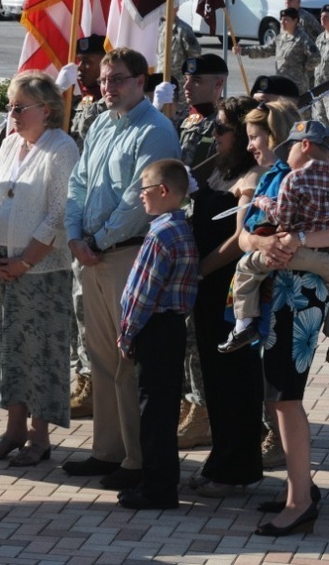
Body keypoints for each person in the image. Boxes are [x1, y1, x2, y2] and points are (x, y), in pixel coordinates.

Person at [233, 101, 329, 536]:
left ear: (299, 143)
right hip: (275, 292)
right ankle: (299, 487)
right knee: (278, 395)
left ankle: (299, 503)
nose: (265, 148)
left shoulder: (314, 178)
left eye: (284, 144)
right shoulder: (280, 177)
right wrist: (261, 241)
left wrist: (297, 240)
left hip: (298, 294)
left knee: (287, 398)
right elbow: (246, 234)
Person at [62, 47, 181, 489]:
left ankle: (136, 459)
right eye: (104, 79)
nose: (107, 87)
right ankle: (107, 451)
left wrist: (97, 240)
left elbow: (138, 199)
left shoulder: (155, 130)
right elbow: (78, 184)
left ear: (140, 81)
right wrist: (75, 235)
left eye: (117, 80)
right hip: (91, 255)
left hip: (128, 254)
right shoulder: (98, 124)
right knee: (102, 359)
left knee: (128, 360)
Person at [0, 71, 78, 467]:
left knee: (41, 353)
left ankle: (39, 436)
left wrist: (24, 260)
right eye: (9, 106)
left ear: (46, 110)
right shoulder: (10, 143)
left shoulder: (60, 147)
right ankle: (13, 430)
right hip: (2, 267)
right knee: (8, 351)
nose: (12, 114)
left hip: (40, 272)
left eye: (19, 107)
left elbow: (57, 214)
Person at [221, 119, 329, 376]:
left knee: (246, 268)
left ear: (304, 145)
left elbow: (283, 219)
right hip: (326, 259)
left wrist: (264, 203)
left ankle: (243, 324)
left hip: (291, 255)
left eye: (289, 149)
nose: (286, 156)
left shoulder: (294, 179)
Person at [185, 97, 266, 498]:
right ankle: (222, 458)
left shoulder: (250, 176)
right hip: (207, 287)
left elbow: (239, 239)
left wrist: (199, 270)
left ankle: (240, 468)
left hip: (231, 290)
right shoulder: (220, 168)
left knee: (236, 378)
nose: (213, 135)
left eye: (221, 129)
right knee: (215, 378)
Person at [115, 159, 198, 510]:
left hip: (155, 328)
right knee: (162, 408)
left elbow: (143, 293)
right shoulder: (180, 229)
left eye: (145, 190)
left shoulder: (161, 234)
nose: (140, 196)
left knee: (154, 411)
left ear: (163, 191)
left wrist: (127, 333)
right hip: (172, 328)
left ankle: (157, 488)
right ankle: (160, 482)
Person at [174, 53, 228, 451]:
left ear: (218, 84)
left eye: (198, 80)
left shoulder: (223, 125)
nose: (188, 85)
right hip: (178, 232)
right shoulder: (185, 120)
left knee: (198, 333)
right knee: (181, 329)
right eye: (186, 79)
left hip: (204, 234)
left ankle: (204, 410)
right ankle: (185, 401)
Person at [67, 34, 107, 420]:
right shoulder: (80, 101)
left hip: (95, 214)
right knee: (74, 306)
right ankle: (82, 376)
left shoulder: (107, 108)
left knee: (87, 306)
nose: (82, 66)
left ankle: (93, 381)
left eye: (90, 60)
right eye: (81, 61)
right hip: (71, 210)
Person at [235, 8, 320, 97]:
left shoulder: (302, 38)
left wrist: (304, 68)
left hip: (297, 86)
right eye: (281, 19)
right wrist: (243, 50)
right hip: (281, 84)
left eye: (286, 20)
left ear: (295, 21)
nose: (282, 22)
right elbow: (265, 50)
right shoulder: (280, 38)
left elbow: (316, 57)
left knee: (298, 110)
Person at [157, 12, 201, 124]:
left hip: (179, 83)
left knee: (180, 116)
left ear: (176, 7)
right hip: (161, 80)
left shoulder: (184, 30)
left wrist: (189, 79)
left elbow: (194, 56)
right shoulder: (160, 27)